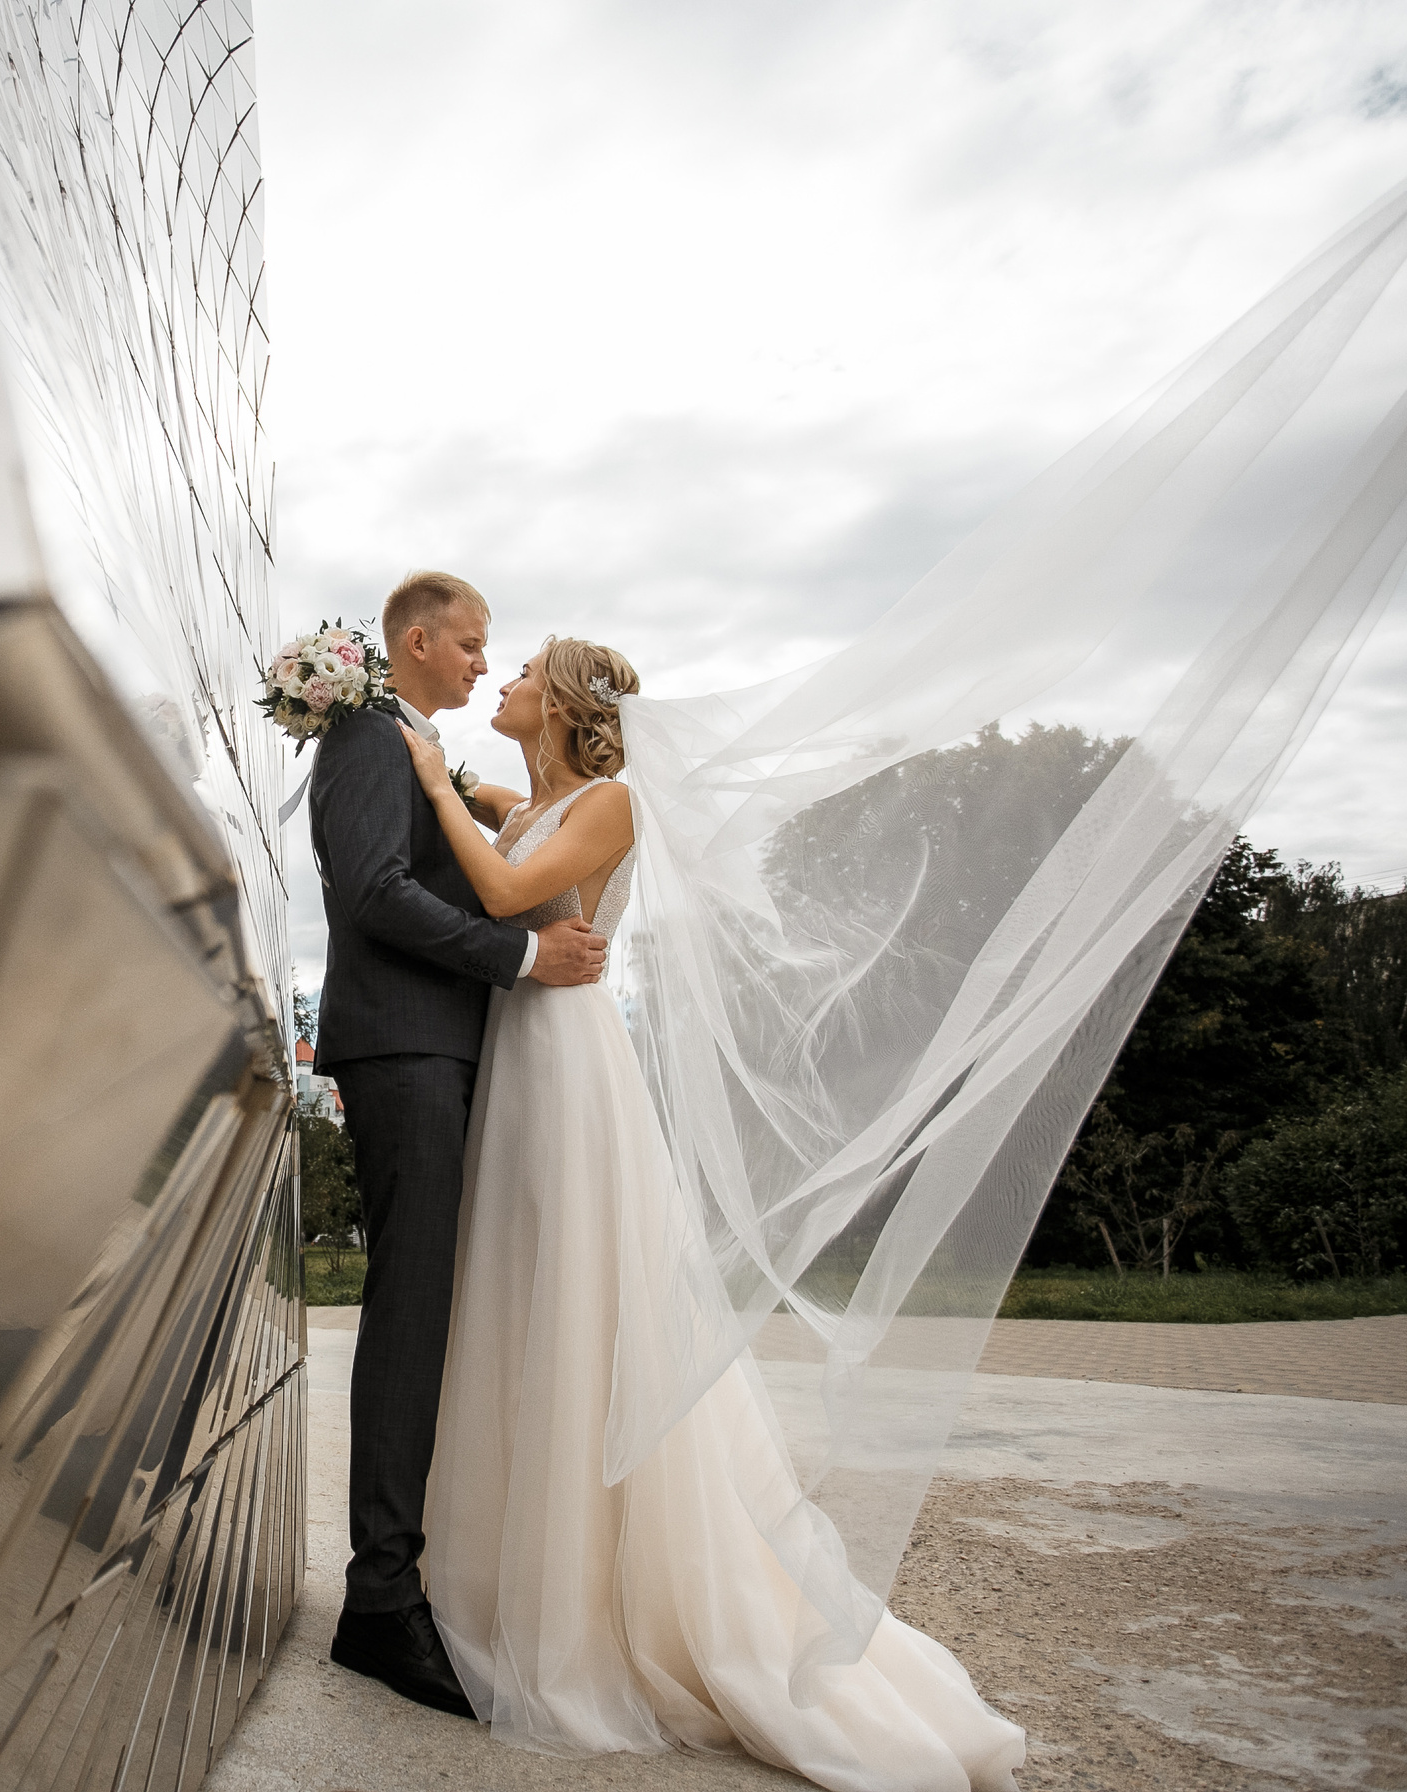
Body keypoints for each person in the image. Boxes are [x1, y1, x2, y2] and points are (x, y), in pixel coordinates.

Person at [390, 634, 1026, 1791]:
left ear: (566, 703)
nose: (508, 681)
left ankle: (621, 1604)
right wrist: (454, 777)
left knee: (583, 1295)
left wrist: (431, 780)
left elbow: (502, 890)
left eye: (525, 669)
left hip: (569, 1065)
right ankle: (502, 1569)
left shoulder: (610, 801)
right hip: (525, 1055)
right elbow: (505, 818)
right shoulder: (541, 797)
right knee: (526, 1297)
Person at [309, 572, 609, 1718]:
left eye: (500, 653)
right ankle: (379, 1598)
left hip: (453, 1054)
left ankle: (411, 1575)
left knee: (443, 1308)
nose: (486, 664)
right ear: (416, 641)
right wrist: (524, 964)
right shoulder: (368, 732)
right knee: (412, 1304)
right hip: (407, 1052)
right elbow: (375, 893)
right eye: (473, 646)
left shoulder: (423, 747)